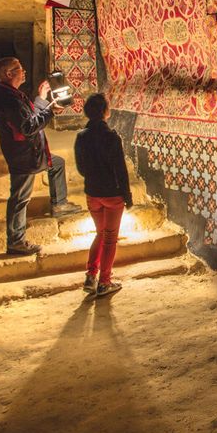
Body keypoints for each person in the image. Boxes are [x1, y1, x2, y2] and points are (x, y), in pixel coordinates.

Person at [0, 57, 82, 256]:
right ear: (9, 73)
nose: (23, 71)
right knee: (20, 198)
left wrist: (42, 99)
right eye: (19, 68)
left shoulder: (13, 94)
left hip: (31, 151)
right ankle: (16, 241)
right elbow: (28, 126)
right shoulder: (9, 99)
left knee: (56, 163)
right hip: (23, 155)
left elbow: (30, 117)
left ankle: (59, 204)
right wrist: (51, 111)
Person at [74, 94, 132, 297]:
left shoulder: (82, 136)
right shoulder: (112, 137)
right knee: (109, 239)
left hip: (93, 193)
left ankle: (91, 276)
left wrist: (94, 177)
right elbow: (120, 170)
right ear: (105, 112)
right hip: (112, 194)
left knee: (100, 233)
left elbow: (81, 168)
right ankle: (105, 282)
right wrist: (127, 195)